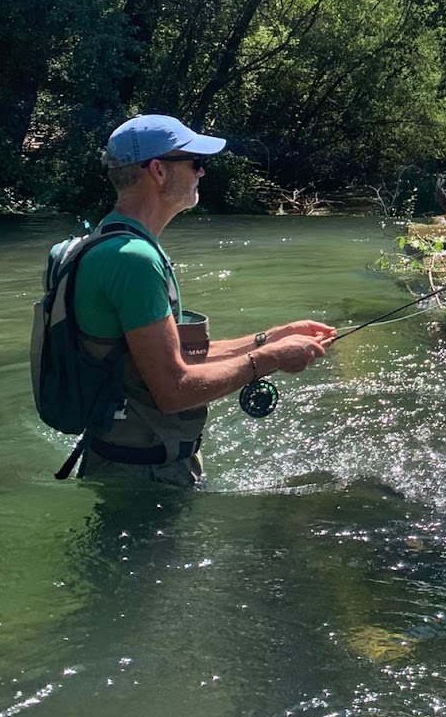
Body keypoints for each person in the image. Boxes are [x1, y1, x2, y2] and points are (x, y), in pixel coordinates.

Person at [73, 113, 335, 485]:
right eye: (195, 163)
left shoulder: (113, 241)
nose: (202, 173)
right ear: (158, 170)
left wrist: (270, 337)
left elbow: (168, 359)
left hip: (133, 464)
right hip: (143, 478)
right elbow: (173, 390)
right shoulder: (132, 260)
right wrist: (271, 358)